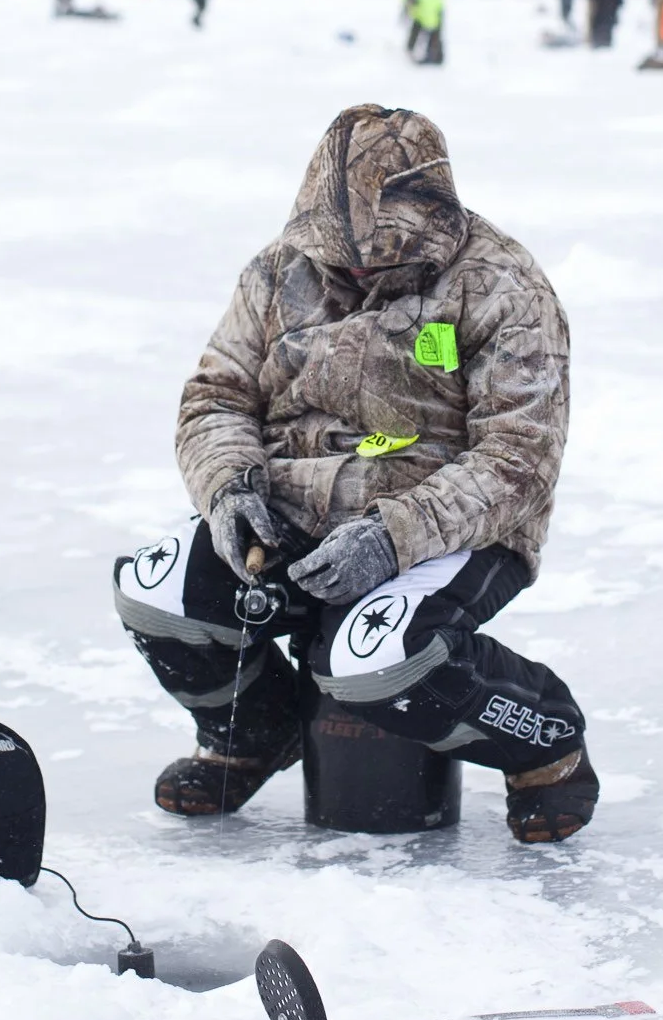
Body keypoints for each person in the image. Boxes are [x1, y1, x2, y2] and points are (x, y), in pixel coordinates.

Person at [111, 105, 599, 844]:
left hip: (448, 529)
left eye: (383, 250)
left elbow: (517, 460)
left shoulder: (504, 288)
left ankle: (546, 744)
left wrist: (392, 537)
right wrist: (230, 489)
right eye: (345, 254)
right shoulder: (277, 272)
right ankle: (252, 732)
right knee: (156, 591)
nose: (363, 268)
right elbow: (217, 397)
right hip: (293, 513)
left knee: (374, 661)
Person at [402, 0, 446, 65]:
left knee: (434, 36)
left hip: (436, 13)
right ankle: (410, 49)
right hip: (428, 12)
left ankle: (434, 57)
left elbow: (430, 22)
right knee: (416, 30)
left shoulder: (425, 5)